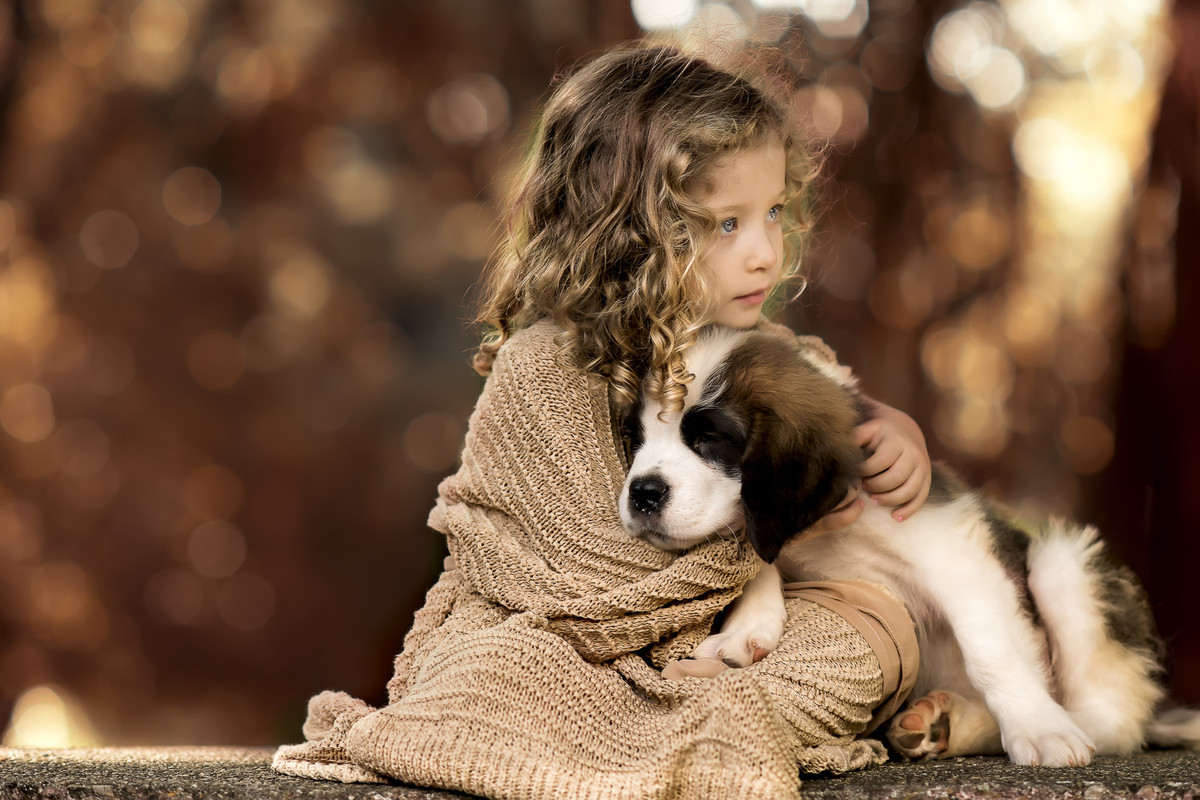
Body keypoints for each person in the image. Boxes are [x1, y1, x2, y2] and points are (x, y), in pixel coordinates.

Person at [275, 41, 931, 800]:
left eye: (774, 213)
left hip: (735, 637)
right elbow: (586, 567)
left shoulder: (759, 350)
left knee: (867, 635)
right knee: (492, 676)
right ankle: (694, 737)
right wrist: (782, 526)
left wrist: (886, 432)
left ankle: (724, 717)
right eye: (725, 224)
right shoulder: (544, 369)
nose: (765, 255)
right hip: (568, 637)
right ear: (625, 234)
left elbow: (829, 409)